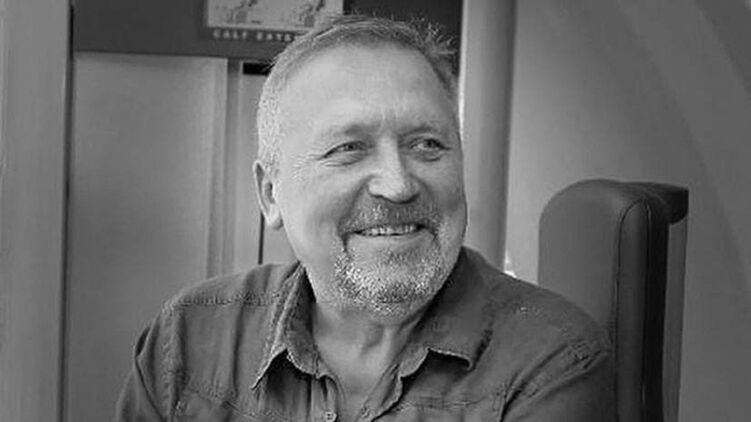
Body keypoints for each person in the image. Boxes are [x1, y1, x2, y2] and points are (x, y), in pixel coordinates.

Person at [115, 15, 614, 421]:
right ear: (270, 195)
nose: (397, 184)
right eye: (349, 148)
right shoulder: (189, 339)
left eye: (427, 144)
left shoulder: (550, 361)